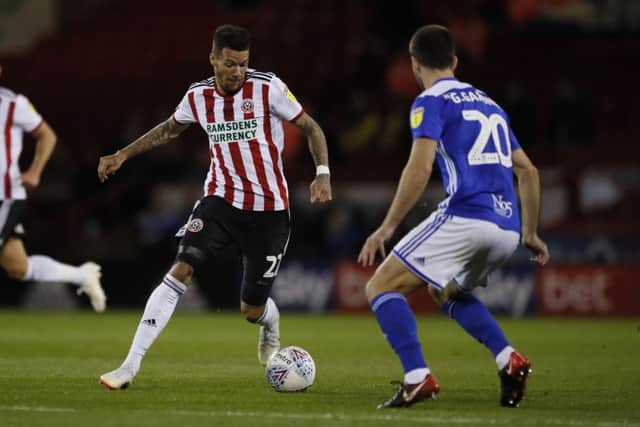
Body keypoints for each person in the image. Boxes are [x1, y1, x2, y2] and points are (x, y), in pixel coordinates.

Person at [97, 24, 332, 390]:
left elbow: (311, 127)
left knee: (251, 309)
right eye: (229, 64)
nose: (238, 71)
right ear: (213, 59)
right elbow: (169, 129)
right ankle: (129, 365)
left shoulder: (267, 87)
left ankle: (270, 323)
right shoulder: (197, 97)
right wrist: (123, 154)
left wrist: (322, 173)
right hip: (219, 202)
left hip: (269, 212)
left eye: (243, 64)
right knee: (181, 269)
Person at [357, 25, 549, 409]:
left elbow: (419, 168)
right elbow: (528, 171)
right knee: (444, 291)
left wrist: (388, 226)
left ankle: (417, 377)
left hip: (467, 215)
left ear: (414, 65)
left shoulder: (430, 102)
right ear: (455, 62)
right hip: (507, 228)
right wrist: (530, 232)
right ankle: (507, 358)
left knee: (380, 287)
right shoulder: (490, 104)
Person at [0, 66, 106, 312]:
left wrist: (35, 171)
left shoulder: (13, 104)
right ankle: (82, 276)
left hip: (5, 196)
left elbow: (47, 135)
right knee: (17, 265)